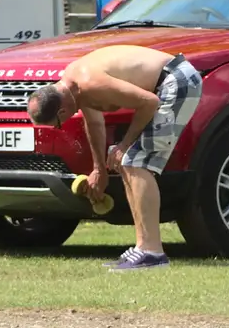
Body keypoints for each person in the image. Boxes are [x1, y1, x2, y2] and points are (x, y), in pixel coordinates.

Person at [26, 44, 203, 270]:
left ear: (61, 112)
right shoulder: (74, 86)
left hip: (178, 81)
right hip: (169, 84)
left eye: (58, 124)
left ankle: (152, 252)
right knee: (129, 162)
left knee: (135, 162)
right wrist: (99, 169)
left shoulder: (89, 82)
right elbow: (94, 122)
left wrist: (124, 144)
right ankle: (143, 248)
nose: (61, 127)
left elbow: (149, 102)